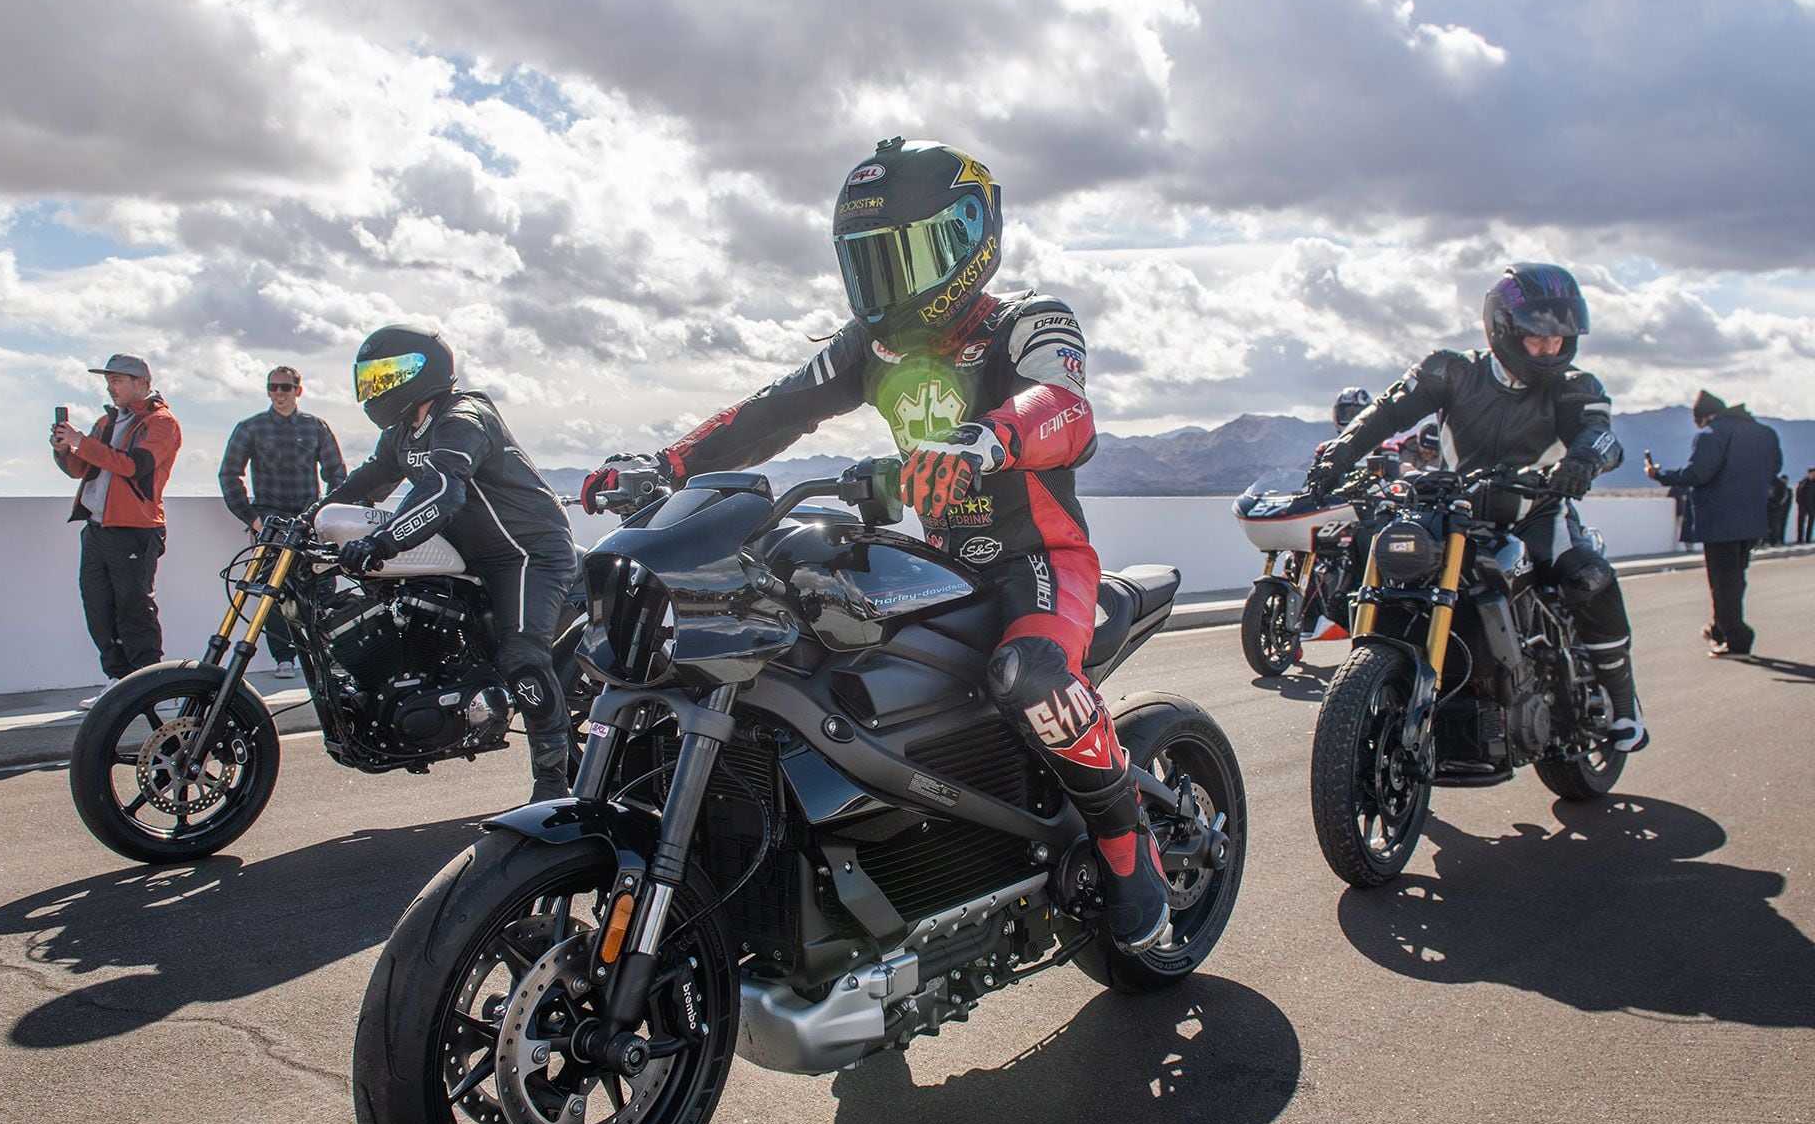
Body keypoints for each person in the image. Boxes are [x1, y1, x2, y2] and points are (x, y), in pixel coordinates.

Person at [581, 138, 1172, 953]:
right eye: (869, 265)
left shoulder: (1030, 320)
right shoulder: (873, 345)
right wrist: (667, 462)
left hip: (1039, 562)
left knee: (1029, 675)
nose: (885, 286)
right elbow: (772, 411)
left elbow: (1065, 407)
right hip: (938, 564)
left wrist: (984, 440)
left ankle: (1127, 847)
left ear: (968, 238)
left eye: (904, 258)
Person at [1306, 262, 1648, 751]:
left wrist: (1582, 462)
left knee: (1585, 576)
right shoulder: (1451, 371)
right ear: (1505, 328)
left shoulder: (1575, 387)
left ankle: (1621, 701)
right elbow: (1387, 411)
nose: (1551, 347)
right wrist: (1337, 456)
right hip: (1451, 514)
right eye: (1539, 336)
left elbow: (1599, 433)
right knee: (1377, 554)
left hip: (1536, 513)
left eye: (1561, 337)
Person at [325, 326, 578, 802]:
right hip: (467, 555)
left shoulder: (464, 416)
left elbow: (442, 491)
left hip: (527, 551)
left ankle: (553, 785)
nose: (377, 388)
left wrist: (383, 541)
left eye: (388, 376)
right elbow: (367, 482)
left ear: (425, 370)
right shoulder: (402, 431)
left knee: (521, 659)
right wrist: (309, 519)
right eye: (371, 378)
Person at [51, 354, 182, 708]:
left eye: (118, 379)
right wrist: (65, 449)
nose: (111, 386)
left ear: (142, 383)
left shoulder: (162, 422)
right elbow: (80, 469)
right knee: (98, 607)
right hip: (97, 527)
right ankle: (119, 682)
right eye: (109, 379)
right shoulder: (105, 422)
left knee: (134, 607)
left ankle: (154, 685)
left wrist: (83, 441)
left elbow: (133, 466)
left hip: (136, 528)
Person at [218, 365, 348, 678]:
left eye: (285, 388)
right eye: (272, 387)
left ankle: (328, 655)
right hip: (271, 526)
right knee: (272, 593)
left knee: (321, 590)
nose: (278, 393)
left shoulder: (316, 427)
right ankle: (284, 658)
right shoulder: (250, 427)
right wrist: (252, 518)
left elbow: (337, 475)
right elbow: (229, 474)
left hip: (309, 525)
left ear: (298, 390)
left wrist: (323, 514)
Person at [1646, 390, 1782, 658]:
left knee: (1722, 581)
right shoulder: (1765, 433)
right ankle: (1719, 629)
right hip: (1753, 519)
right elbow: (1775, 468)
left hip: (1719, 521)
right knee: (1736, 579)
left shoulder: (1712, 434)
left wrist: (1658, 474)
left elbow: (1698, 473)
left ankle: (1737, 638)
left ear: (1705, 416)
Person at [1766, 473, 1792, 547]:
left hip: (1778, 510)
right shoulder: (1770, 483)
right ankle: (1768, 540)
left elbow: (1783, 498)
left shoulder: (1785, 488)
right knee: (1769, 526)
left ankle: (1776, 541)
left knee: (1777, 526)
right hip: (1769, 509)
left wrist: (1776, 505)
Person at [1796, 468, 1815, 545]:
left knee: (1810, 523)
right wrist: (1800, 503)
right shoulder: (1803, 482)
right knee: (1801, 523)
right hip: (1803, 506)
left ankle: (1808, 539)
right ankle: (1800, 539)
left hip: (1812, 506)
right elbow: (1799, 493)